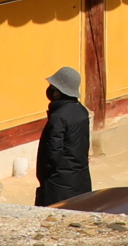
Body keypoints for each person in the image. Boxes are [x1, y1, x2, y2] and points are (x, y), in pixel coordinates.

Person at [35, 65, 93, 207]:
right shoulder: (81, 111)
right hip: (80, 179)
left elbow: (52, 153)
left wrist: (45, 175)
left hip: (59, 185)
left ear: (58, 92)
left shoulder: (58, 117)